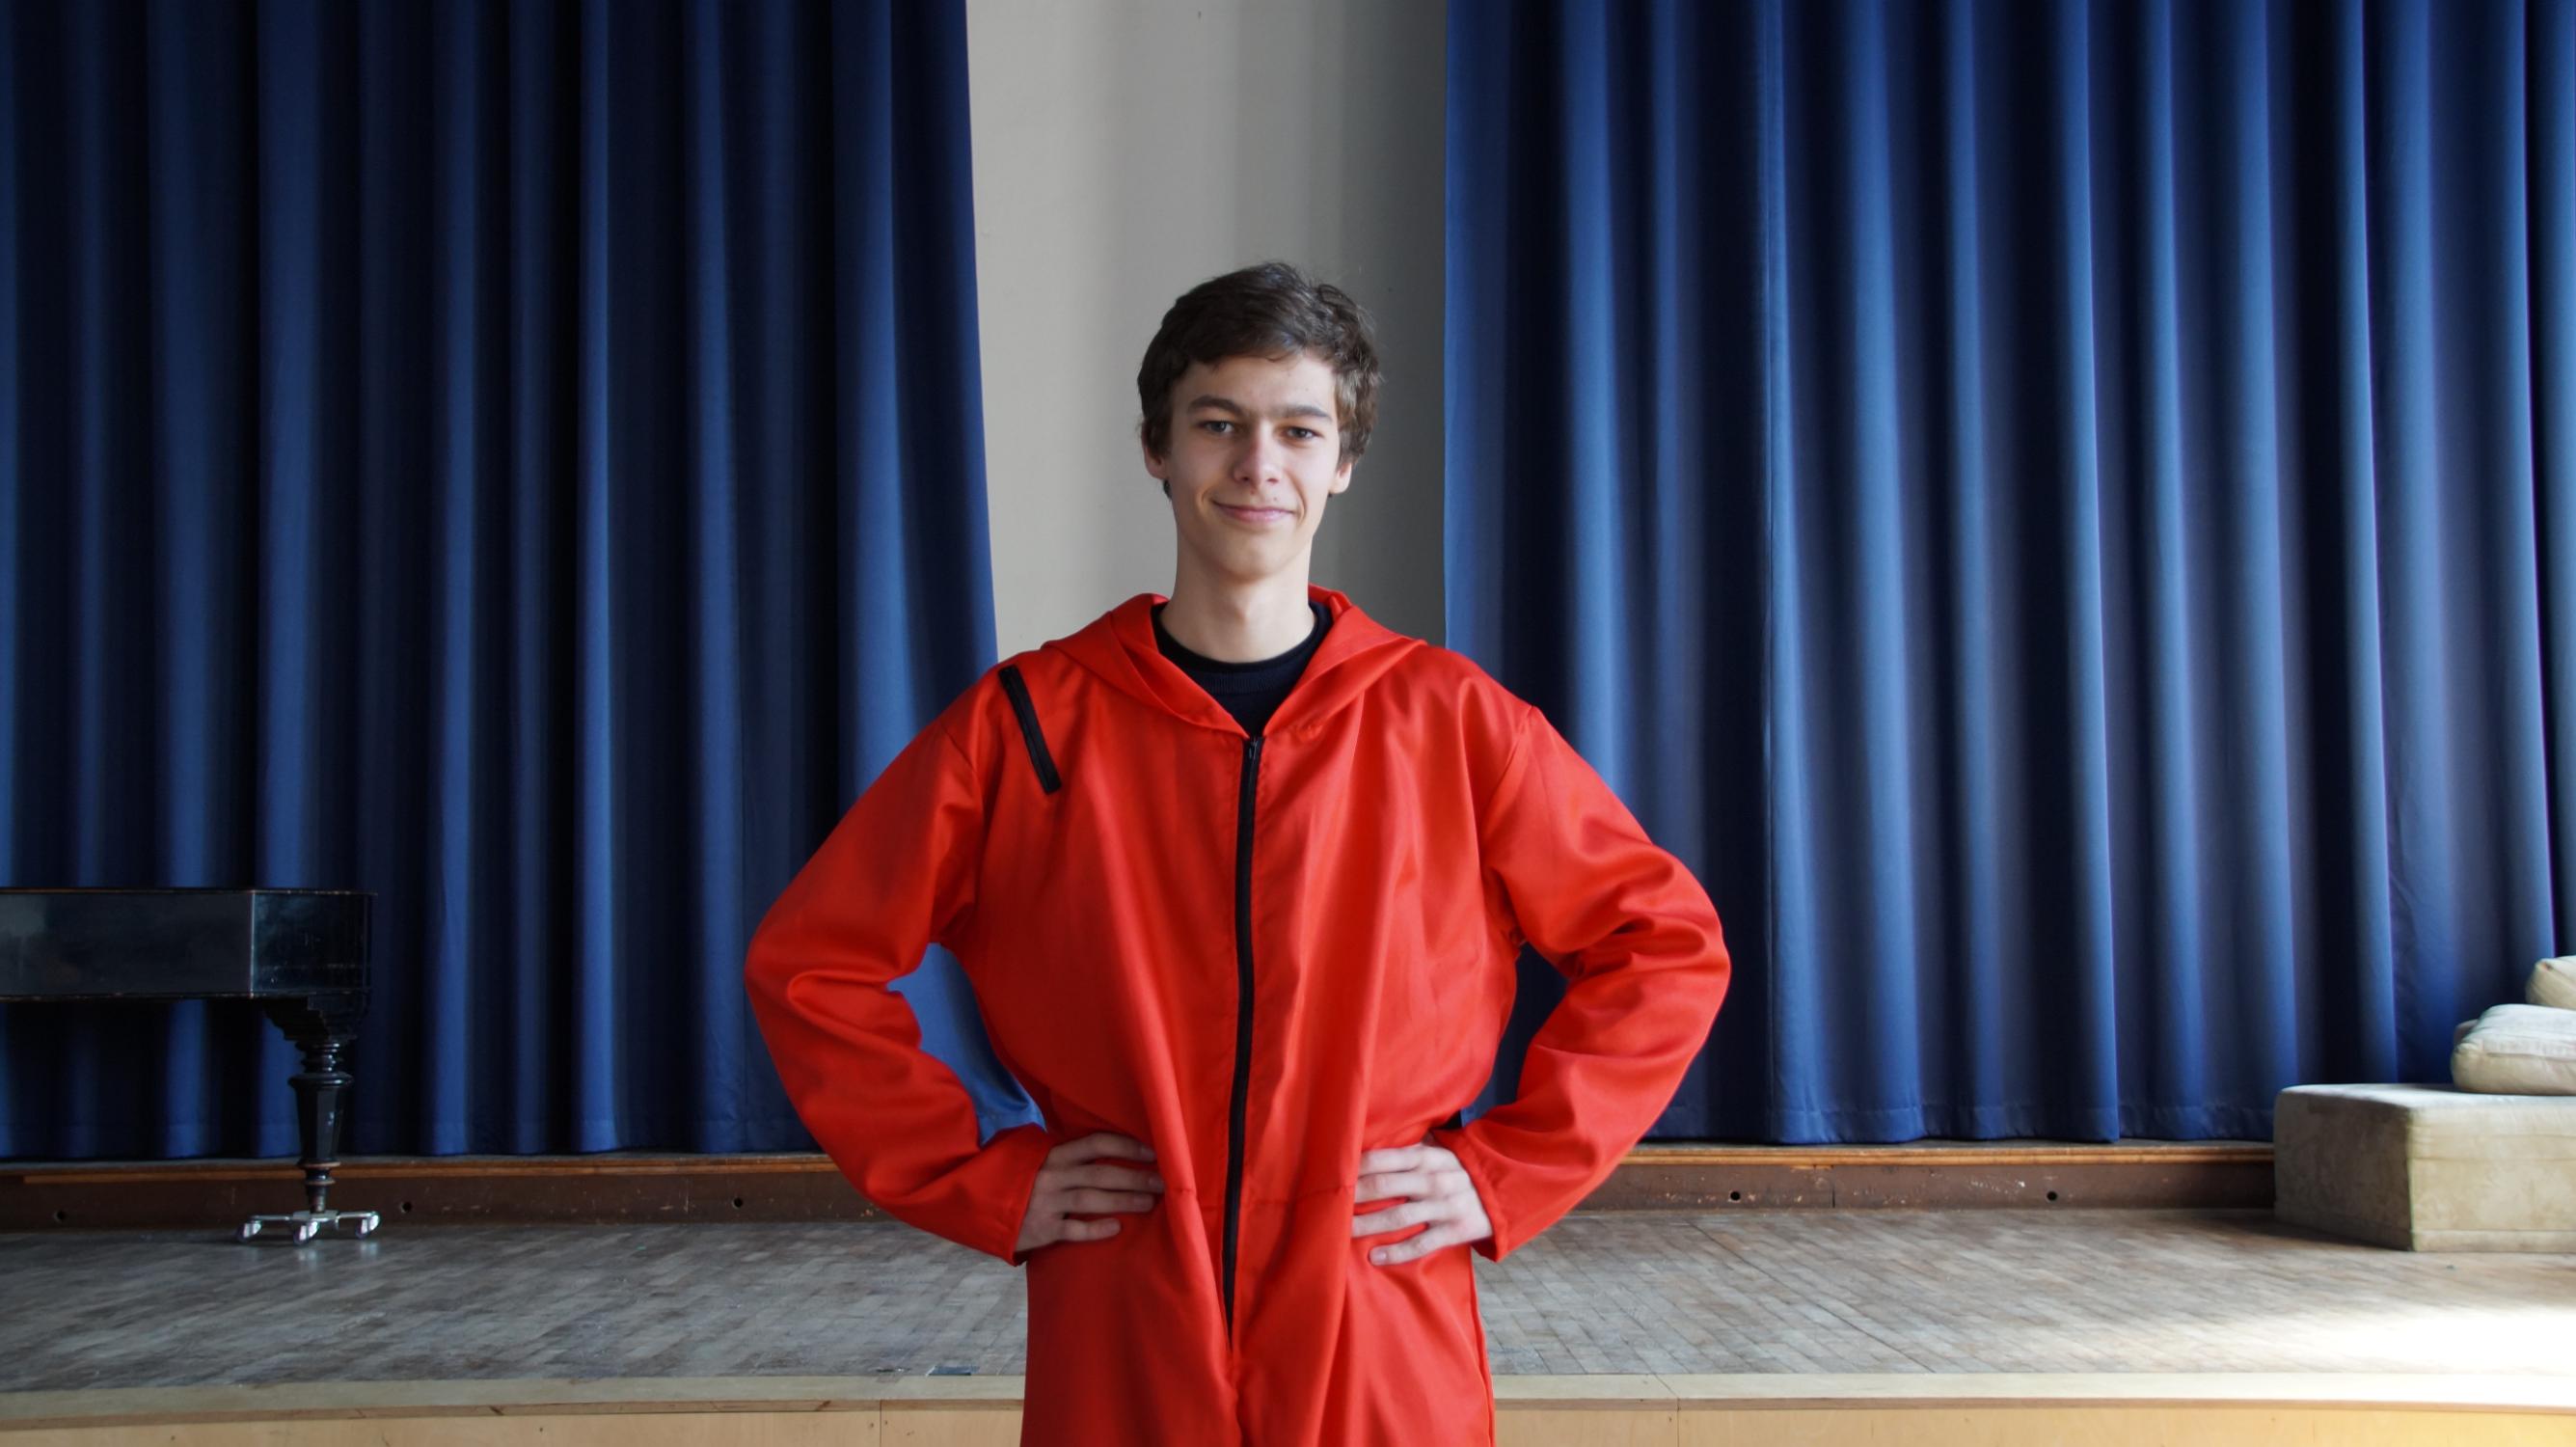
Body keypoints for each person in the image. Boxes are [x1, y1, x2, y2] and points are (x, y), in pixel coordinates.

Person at [744, 261, 1729, 1446]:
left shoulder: (1454, 723)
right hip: (1126, 1300)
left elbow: (1663, 947)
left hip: (1376, 1299)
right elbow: (812, 965)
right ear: (1156, 449)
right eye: (1218, 424)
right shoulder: (1028, 726)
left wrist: (1504, 1171)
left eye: (1298, 430)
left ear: (1343, 460)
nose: (1259, 464)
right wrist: (979, 1176)